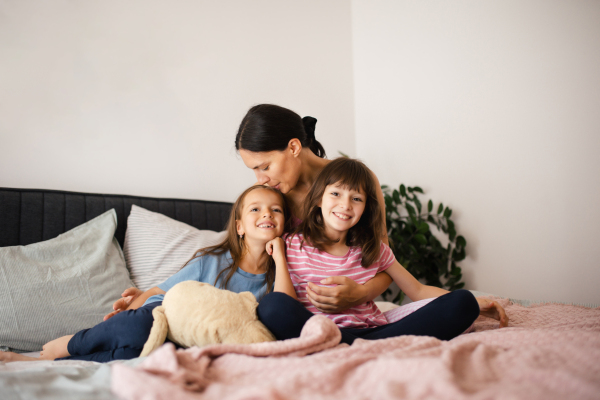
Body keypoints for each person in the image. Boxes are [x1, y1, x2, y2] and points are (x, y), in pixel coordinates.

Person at [0, 185, 291, 363]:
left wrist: (280, 257)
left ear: (284, 224)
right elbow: (158, 293)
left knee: (144, 354)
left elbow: (284, 310)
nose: (267, 214)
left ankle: (59, 361)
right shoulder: (212, 261)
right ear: (239, 226)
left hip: (190, 344)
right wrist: (129, 309)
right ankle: (67, 344)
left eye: (275, 210)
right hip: (165, 319)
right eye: (256, 209)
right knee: (142, 326)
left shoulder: (279, 275)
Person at [261, 157, 508, 345]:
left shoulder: (374, 249)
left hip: (373, 331)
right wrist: (280, 256)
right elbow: (284, 302)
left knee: (462, 302)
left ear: (366, 207)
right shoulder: (292, 243)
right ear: (318, 199)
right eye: (335, 194)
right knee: (271, 306)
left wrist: (477, 304)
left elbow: (418, 290)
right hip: (317, 330)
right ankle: (352, 344)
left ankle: (358, 345)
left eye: (356, 198)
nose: (345, 205)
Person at [236, 104, 393, 313]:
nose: (261, 180)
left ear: (294, 147)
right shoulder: (268, 199)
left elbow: (385, 262)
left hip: (353, 315)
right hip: (296, 314)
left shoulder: (356, 182)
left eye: (265, 167)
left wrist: (361, 294)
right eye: (254, 170)